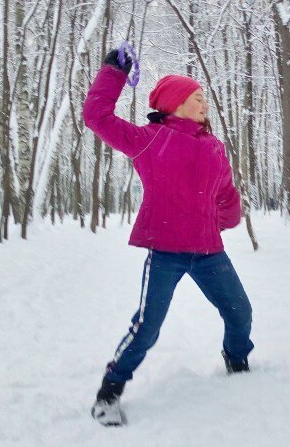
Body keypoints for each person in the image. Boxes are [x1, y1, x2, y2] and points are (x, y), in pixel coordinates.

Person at [83, 49, 254, 427]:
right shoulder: (148, 139)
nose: (205, 104)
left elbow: (226, 191)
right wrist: (113, 73)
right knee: (147, 328)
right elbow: (97, 117)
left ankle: (237, 360)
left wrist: (227, 217)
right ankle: (109, 393)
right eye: (198, 98)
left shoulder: (214, 146)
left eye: (205, 98)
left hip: (209, 251)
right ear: (176, 103)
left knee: (240, 312)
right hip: (165, 252)